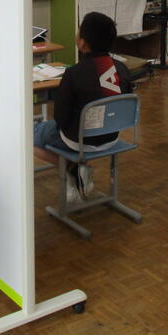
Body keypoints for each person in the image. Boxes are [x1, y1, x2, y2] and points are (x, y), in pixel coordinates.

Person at [33, 12, 132, 201]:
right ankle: (76, 169)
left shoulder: (74, 74)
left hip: (78, 140)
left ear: (82, 43)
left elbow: (61, 119)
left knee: (28, 136)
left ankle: (73, 167)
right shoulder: (122, 69)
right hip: (111, 136)